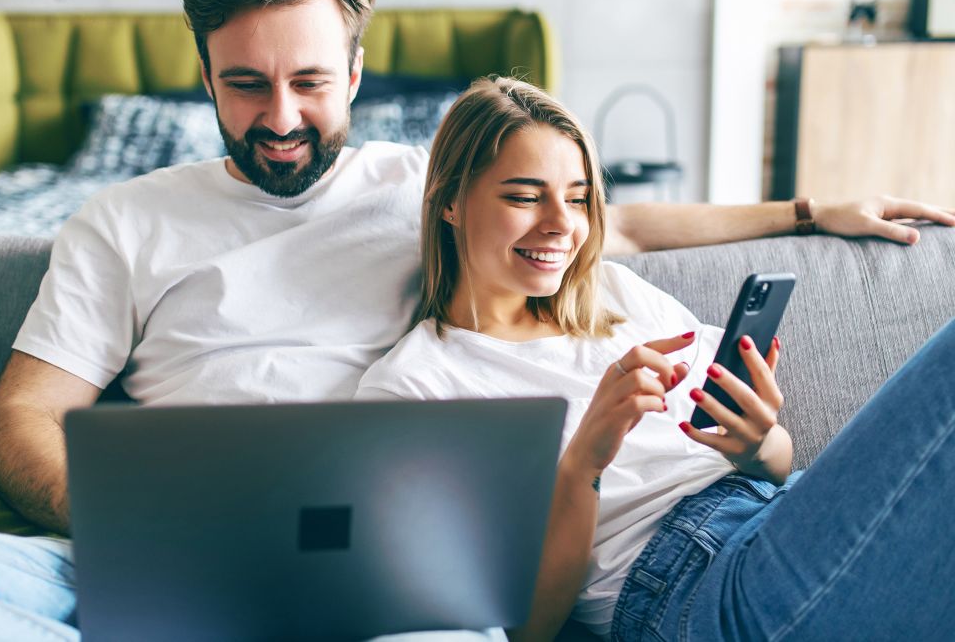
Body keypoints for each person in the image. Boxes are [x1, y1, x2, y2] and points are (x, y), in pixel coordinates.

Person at [0, 0, 955, 641]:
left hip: (387, 582)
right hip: (166, 551)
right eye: (244, 84)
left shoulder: (423, 183)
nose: (279, 117)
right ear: (203, 73)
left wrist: (805, 209)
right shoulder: (122, 222)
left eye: (310, 82)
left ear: (357, 67)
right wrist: (132, 526)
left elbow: (599, 223)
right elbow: (24, 414)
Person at [356, 76, 955, 641]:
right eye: (523, 197)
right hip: (696, 587)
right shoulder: (415, 389)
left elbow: (775, 461)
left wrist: (758, 443)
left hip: (780, 513)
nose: (562, 225)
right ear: (449, 202)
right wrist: (583, 461)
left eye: (578, 198)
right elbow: (523, 630)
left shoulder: (616, 295)